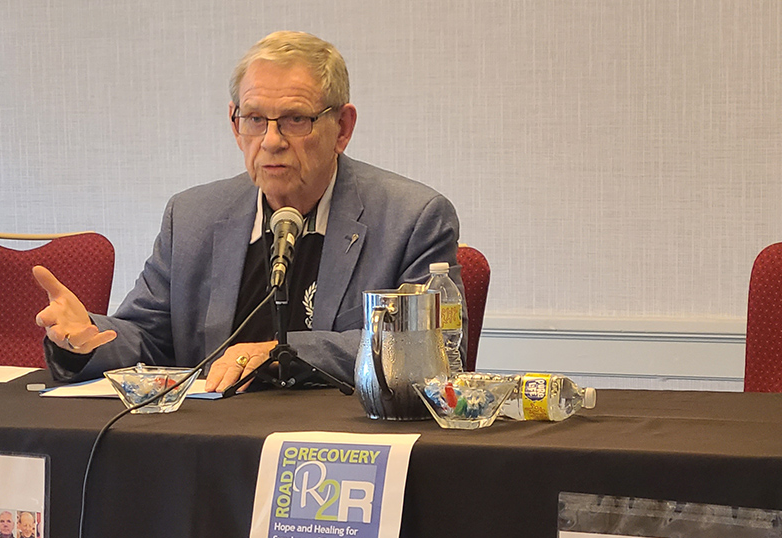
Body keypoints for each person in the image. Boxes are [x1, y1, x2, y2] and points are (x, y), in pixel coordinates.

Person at [34, 31, 465, 392]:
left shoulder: (412, 217)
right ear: (234, 124)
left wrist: (282, 352)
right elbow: (146, 338)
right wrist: (85, 340)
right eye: (255, 119)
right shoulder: (191, 217)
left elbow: (432, 348)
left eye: (296, 119)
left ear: (343, 128)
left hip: (337, 451)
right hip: (207, 447)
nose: (272, 140)